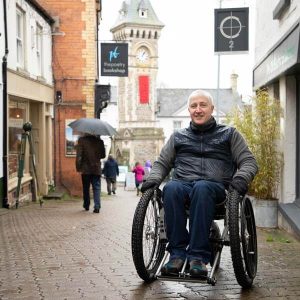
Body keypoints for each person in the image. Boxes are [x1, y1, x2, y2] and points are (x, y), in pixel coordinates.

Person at [141, 89, 258, 278]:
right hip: (184, 185)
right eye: (194, 106)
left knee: (202, 187)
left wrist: (241, 178)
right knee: (170, 188)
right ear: (189, 110)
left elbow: (248, 161)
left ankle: (198, 257)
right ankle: (177, 255)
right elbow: (162, 163)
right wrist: (153, 179)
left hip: (215, 188)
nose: (198, 109)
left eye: (203, 105)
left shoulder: (229, 134)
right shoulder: (178, 137)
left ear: (212, 109)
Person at [75, 134, 105, 213]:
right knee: (97, 188)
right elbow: (103, 155)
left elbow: (79, 156)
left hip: (86, 169)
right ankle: (97, 206)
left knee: (86, 188)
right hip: (96, 169)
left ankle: (86, 205)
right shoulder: (100, 141)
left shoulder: (82, 141)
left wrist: (78, 167)